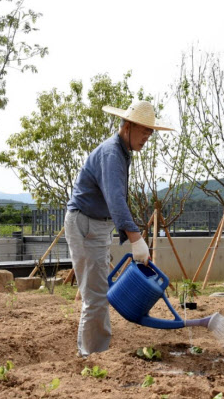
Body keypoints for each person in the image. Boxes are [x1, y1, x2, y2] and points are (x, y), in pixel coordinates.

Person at [64, 101, 174, 358]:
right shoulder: (113, 153)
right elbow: (115, 200)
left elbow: (115, 201)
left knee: (97, 293)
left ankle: (94, 351)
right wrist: (136, 239)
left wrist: (133, 236)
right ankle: (92, 357)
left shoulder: (122, 152)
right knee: (96, 297)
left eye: (151, 132)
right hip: (86, 224)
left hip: (97, 226)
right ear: (128, 126)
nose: (148, 137)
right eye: (144, 130)